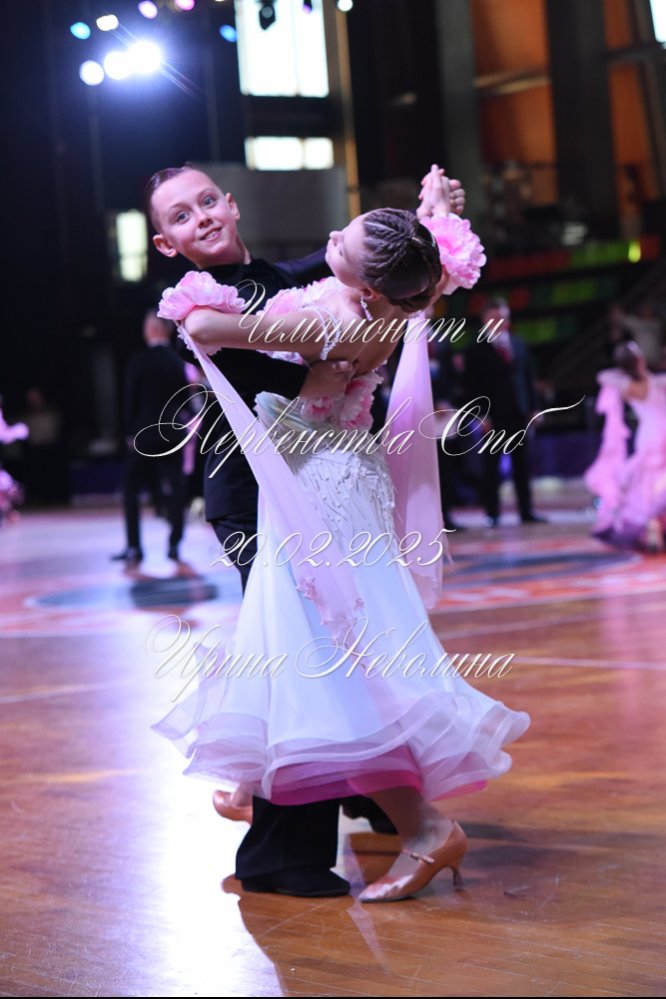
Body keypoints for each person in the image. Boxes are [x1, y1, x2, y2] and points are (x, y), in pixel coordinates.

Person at [151, 180, 530, 903]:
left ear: (232, 203)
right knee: (314, 649)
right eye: (181, 215)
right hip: (269, 490)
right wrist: (430, 229)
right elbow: (395, 274)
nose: (201, 217)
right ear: (167, 242)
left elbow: (227, 323)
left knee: (318, 654)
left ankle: (319, 821)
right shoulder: (337, 296)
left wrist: (419, 235)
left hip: (310, 485)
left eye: (206, 201)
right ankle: (320, 802)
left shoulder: (310, 294)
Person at [112, 309, 190, 564]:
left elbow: (130, 400)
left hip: (145, 434)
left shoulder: (139, 360)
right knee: (177, 486)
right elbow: (185, 398)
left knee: (130, 488)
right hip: (172, 432)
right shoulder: (177, 360)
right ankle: (175, 544)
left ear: (152, 329)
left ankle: (134, 546)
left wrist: (129, 434)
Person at [464, 297, 546, 527]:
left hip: (519, 412)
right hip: (492, 416)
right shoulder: (476, 348)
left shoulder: (518, 343)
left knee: (522, 465)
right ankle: (493, 513)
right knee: (491, 466)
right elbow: (471, 385)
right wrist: (480, 416)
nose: (500, 322)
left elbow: (528, 378)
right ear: (485, 320)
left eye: (503, 317)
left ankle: (526, 511)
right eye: (495, 318)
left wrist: (534, 408)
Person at [585, 342, 666, 552]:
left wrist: (625, 371)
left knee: (650, 485)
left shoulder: (629, 385)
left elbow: (604, 376)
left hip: (650, 436)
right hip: (658, 436)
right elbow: (603, 376)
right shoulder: (649, 384)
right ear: (640, 360)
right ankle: (653, 526)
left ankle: (653, 526)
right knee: (652, 484)